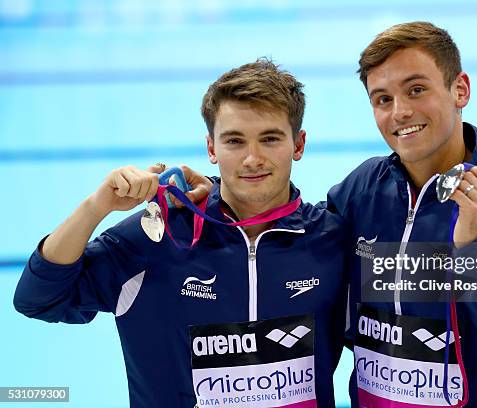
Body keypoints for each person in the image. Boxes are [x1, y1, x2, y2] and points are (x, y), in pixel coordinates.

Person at [179, 22, 477, 407]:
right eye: (383, 99)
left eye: (416, 89)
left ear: (460, 89)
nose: (400, 111)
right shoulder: (365, 190)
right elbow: (292, 230)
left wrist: (476, 251)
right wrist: (218, 193)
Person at [13, 59, 349, 408]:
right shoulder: (159, 236)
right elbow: (39, 299)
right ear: (211, 149)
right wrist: (96, 207)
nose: (252, 158)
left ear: (298, 144)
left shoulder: (331, 240)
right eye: (235, 141)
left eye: (270, 139)